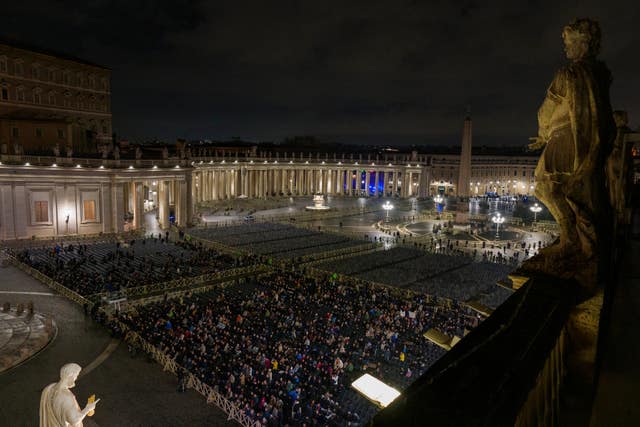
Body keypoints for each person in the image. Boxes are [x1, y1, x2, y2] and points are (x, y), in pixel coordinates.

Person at [525, 19, 615, 286]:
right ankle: (576, 240)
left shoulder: (570, 74)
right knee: (568, 189)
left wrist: (542, 134)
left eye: (568, 43)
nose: (566, 49)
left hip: (564, 138)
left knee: (545, 186)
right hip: (582, 138)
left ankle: (569, 239)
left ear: (583, 43)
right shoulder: (598, 74)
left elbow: (546, 111)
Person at [40, 363, 100, 427]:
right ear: (70, 375)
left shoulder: (50, 389)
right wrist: (87, 408)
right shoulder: (66, 396)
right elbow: (74, 420)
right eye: (76, 375)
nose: (76, 378)